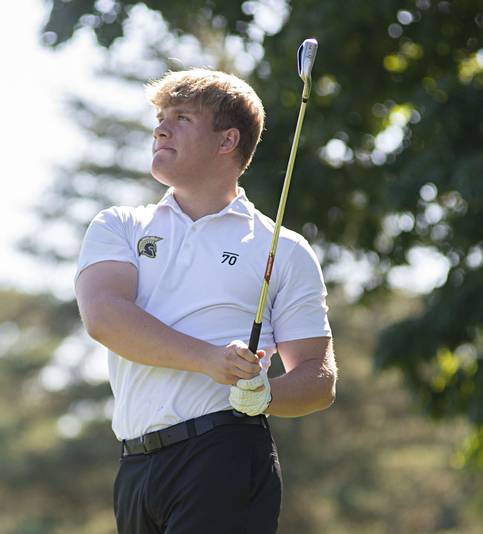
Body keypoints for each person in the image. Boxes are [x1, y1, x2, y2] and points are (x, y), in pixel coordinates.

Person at [74, 68, 337, 533]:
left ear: (226, 141)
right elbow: (105, 318)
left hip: (223, 457)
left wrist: (266, 394)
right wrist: (210, 360)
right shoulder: (120, 225)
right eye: (160, 117)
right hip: (135, 468)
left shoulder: (283, 248)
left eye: (182, 118)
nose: (160, 129)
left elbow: (318, 377)